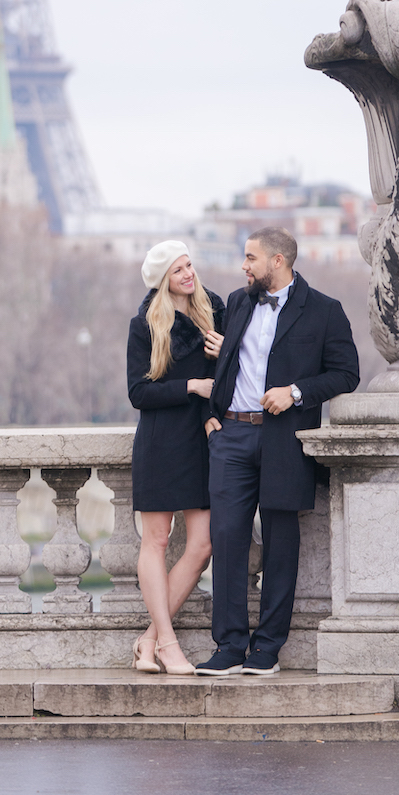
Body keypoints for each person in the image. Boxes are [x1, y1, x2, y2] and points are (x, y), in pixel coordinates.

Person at [196, 226, 359, 677]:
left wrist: (296, 392)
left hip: (285, 440)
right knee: (226, 540)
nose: (243, 266)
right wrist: (209, 415)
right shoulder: (238, 302)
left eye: (250, 258)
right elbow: (228, 362)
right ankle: (228, 647)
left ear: (278, 262)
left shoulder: (325, 311)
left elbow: (347, 373)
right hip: (231, 435)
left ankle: (267, 649)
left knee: (280, 546)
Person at [126, 239, 225, 676]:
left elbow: (236, 371)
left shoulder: (214, 310)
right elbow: (137, 392)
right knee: (158, 541)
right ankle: (168, 642)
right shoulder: (145, 324)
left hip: (201, 439)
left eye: (189, 265)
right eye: (178, 269)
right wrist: (191, 387)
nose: (188, 273)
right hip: (162, 440)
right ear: (164, 279)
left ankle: (149, 639)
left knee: (203, 543)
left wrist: (224, 356)